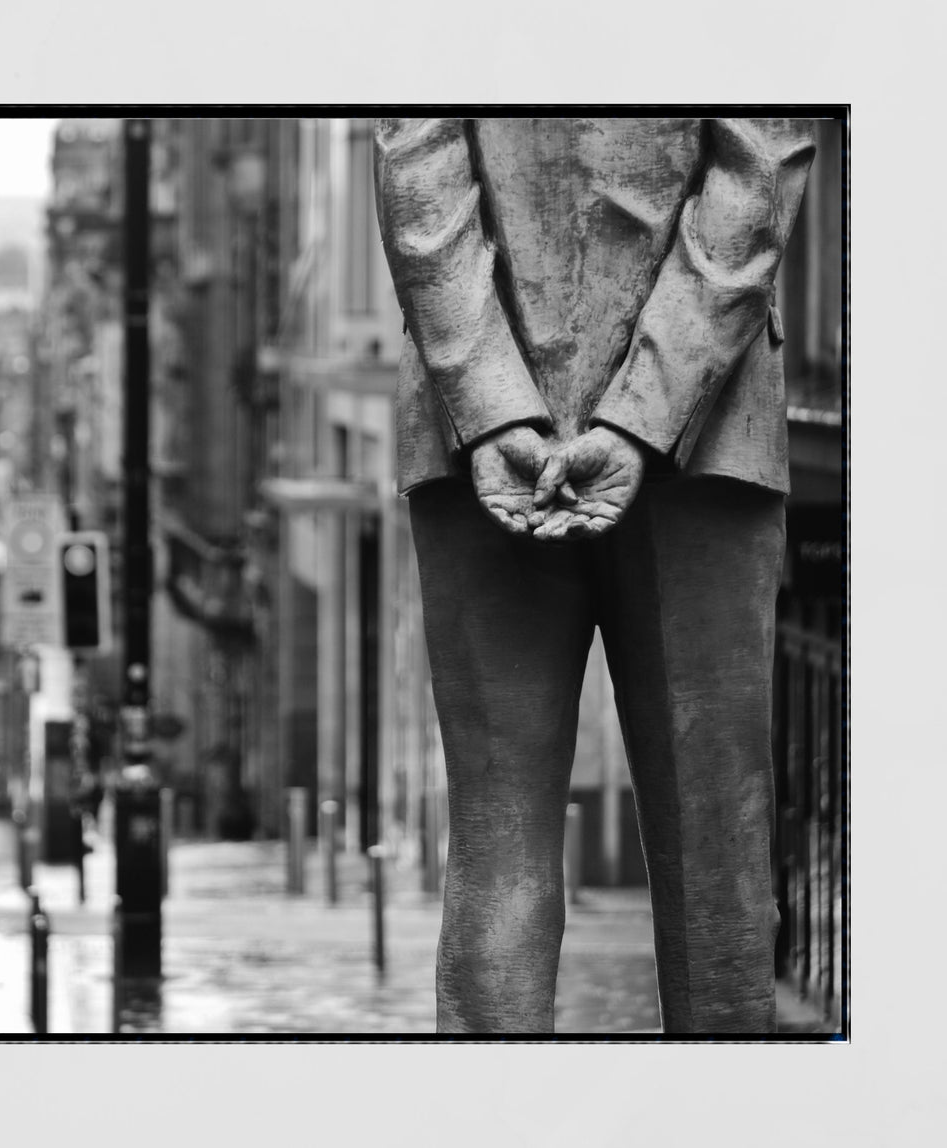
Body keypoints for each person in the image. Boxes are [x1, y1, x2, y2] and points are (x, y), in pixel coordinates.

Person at [374, 118, 817, 1033]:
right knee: (716, 858)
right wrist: (647, 410)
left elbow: (416, 167)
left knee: (497, 845)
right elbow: (760, 161)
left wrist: (492, 402)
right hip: (711, 419)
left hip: (475, 430)